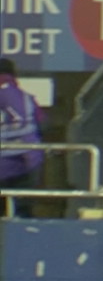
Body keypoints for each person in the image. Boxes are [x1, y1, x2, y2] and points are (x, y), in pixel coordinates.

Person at [0, 59, 46, 217]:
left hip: (6, 164)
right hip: (28, 162)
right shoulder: (25, 97)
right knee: (22, 214)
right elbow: (41, 123)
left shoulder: (7, 94)